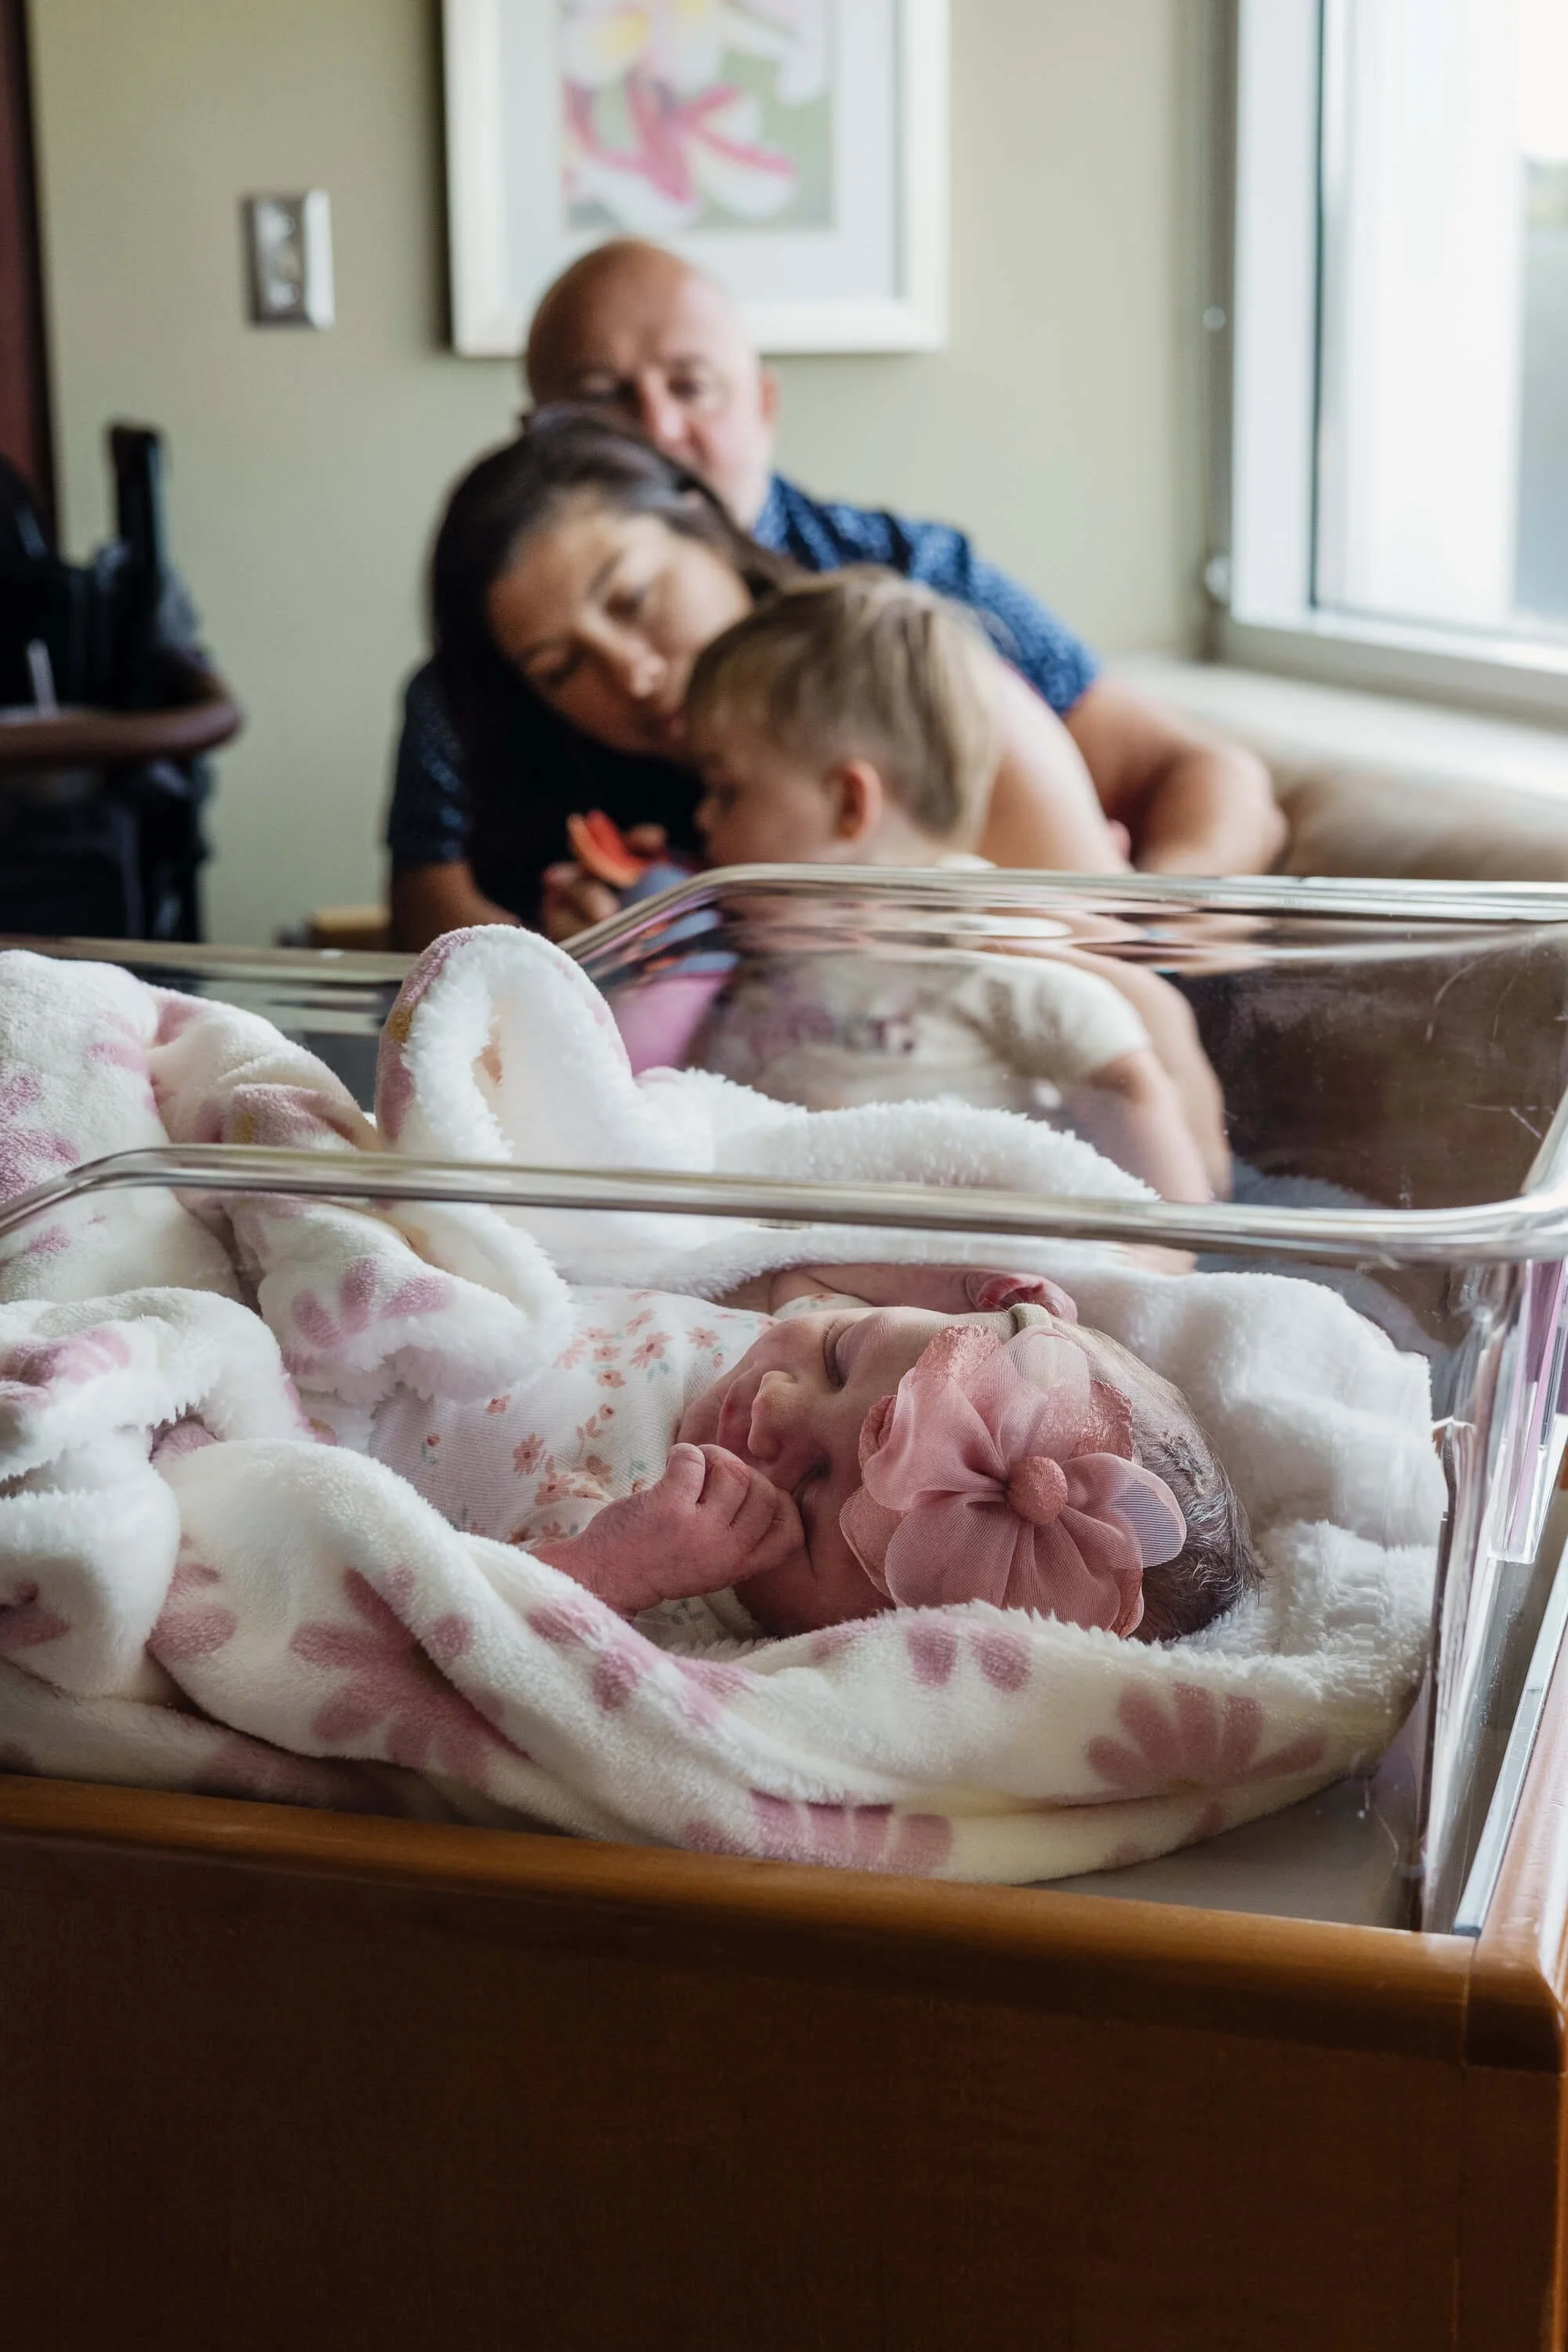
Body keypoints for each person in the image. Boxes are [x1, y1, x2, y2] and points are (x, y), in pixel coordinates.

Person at [388, 240, 1283, 949]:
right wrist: (581, 959)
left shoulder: (910, 595)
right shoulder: (479, 677)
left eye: (692, 387)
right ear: (543, 440)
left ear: (763, 401)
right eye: (602, 404)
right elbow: (434, 942)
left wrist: (1136, 935)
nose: (660, 430)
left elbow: (1206, 779)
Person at [420, 411, 1126, 943]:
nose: (632, 674)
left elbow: (1117, 980)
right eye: (562, 668)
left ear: (703, 522)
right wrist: (601, 960)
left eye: (634, 600)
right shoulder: (585, 813)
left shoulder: (929, 698)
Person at [677, 566, 1220, 1204]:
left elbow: (1127, 1083)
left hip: (969, 1263)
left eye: (726, 791)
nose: (702, 818)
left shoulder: (985, 941)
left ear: (851, 804)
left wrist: (1157, 1253)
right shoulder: (763, 948)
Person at [366, 1260, 1259, 1644]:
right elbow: (782, 1272)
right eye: (839, 1355)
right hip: (408, 1312)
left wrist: (612, 1568)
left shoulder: (692, 1596)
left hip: (333, 1436)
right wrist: (946, 1285)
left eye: (810, 1495)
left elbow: (473, 1632)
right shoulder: (792, 1328)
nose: (776, 1410)